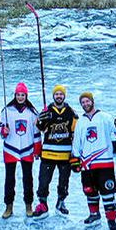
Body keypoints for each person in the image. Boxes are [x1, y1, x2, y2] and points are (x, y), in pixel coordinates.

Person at [72, 91, 116, 230]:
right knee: (90, 191)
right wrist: (75, 158)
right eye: (83, 102)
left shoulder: (105, 117)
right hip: (87, 163)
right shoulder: (80, 121)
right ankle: (94, 214)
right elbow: (77, 141)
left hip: (104, 162)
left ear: (92, 101)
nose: (85, 104)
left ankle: (111, 219)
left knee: (107, 192)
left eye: (87, 101)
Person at [32, 84, 78, 216]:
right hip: (48, 153)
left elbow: (76, 132)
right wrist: (41, 120)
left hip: (65, 154)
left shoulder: (71, 112)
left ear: (64, 96)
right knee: (43, 180)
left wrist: (76, 154)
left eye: (61, 94)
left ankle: (61, 202)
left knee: (64, 181)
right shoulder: (47, 110)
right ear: (53, 96)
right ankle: (43, 203)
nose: (59, 96)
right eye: (57, 94)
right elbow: (40, 128)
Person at [0, 81, 39, 218]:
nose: (20, 97)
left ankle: (29, 204)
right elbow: (1, 129)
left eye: (23, 95)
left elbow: (36, 132)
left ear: (26, 96)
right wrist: (3, 131)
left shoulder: (32, 112)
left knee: (28, 178)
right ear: (15, 95)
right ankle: (8, 206)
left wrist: (37, 149)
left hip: (27, 149)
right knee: (9, 179)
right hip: (11, 148)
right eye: (18, 94)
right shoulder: (7, 110)